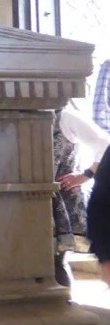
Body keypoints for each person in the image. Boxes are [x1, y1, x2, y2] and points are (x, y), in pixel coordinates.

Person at [58, 103, 110, 286]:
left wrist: (86, 174)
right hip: (33, 202)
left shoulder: (65, 115)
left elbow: (103, 143)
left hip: (60, 202)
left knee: (56, 263)